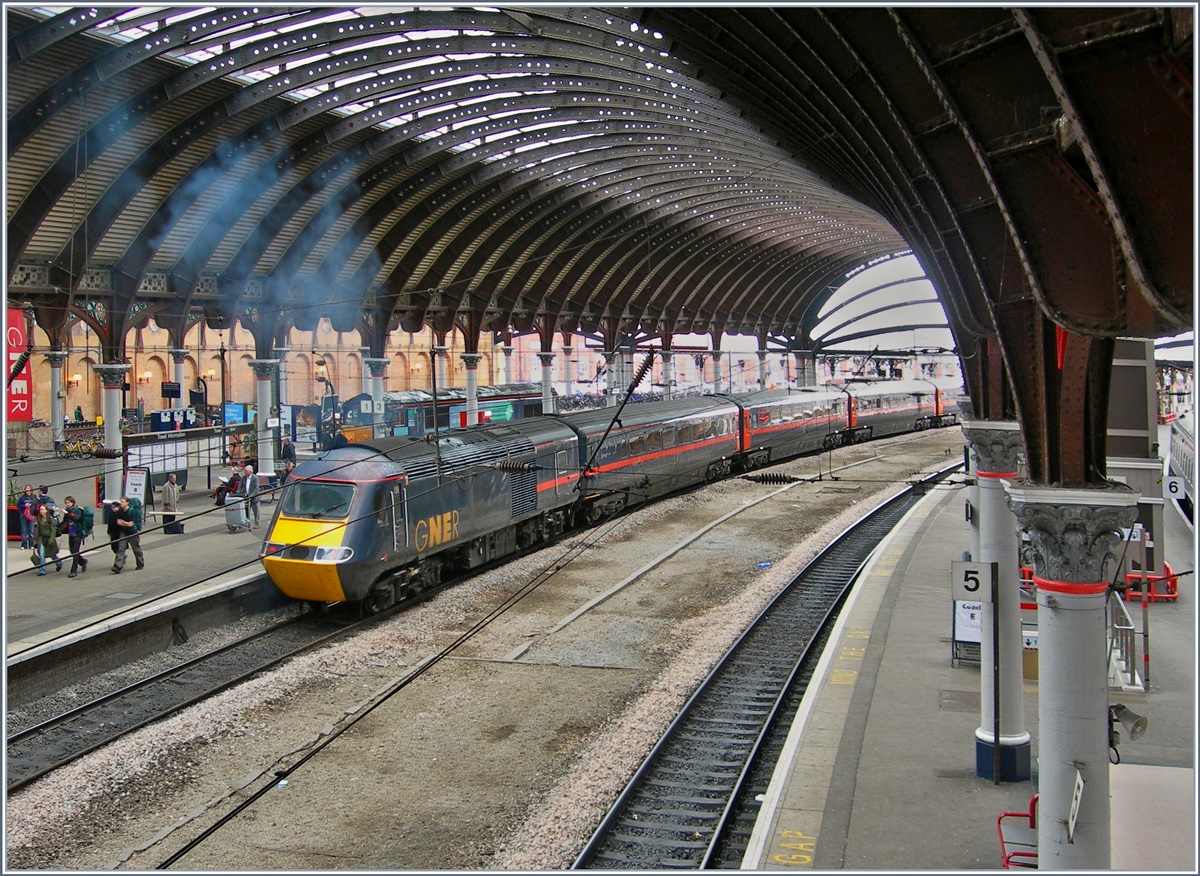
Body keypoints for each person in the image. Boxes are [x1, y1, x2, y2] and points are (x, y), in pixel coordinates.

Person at [110, 496, 144, 574]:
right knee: (121, 548)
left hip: (132, 532)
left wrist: (123, 522)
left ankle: (140, 563)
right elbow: (118, 522)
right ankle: (118, 566)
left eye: (122, 502)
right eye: (120, 501)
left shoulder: (132, 511)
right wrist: (125, 523)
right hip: (124, 532)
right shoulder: (120, 511)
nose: (121, 503)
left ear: (127, 503)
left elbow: (131, 524)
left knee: (136, 548)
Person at [61, 495, 89, 578]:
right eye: (66, 503)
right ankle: (83, 561)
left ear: (72, 502)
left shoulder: (77, 510)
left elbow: (76, 518)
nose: (67, 504)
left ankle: (74, 571)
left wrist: (67, 513)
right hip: (71, 533)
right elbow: (65, 521)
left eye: (68, 502)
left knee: (75, 550)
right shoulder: (68, 511)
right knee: (72, 551)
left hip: (78, 533)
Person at [31, 503, 62, 575]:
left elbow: (53, 530)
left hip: (49, 538)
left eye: (42, 509)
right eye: (40, 509)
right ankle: (42, 570)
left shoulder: (50, 519)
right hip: (42, 538)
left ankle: (59, 562)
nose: (41, 511)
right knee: (41, 554)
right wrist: (36, 539)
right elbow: (38, 529)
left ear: (46, 510)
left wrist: (51, 540)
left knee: (52, 554)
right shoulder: (39, 518)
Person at [240, 464, 261, 529]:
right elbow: (240, 486)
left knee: (256, 511)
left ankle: (257, 523)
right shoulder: (243, 478)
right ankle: (246, 522)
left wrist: (251, 495)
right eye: (245, 471)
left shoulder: (255, 478)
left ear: (250, 471)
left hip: (254, 497)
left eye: (246, 471)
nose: (245, 472)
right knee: (246, 511)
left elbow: (256, 488)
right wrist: (238, 493)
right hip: (246, 497)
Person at [16, 484, 36, 550]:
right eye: (26, 488)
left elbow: (37, 505)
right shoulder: (22, 498)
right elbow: (18, 506)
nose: (27, 489)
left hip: (31, 515)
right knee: (24, 531)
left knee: (31, 531)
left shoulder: (34, 497)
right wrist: (24, 505)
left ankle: (31, 544)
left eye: (29, 488)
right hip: (23, 515)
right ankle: (24, 545)